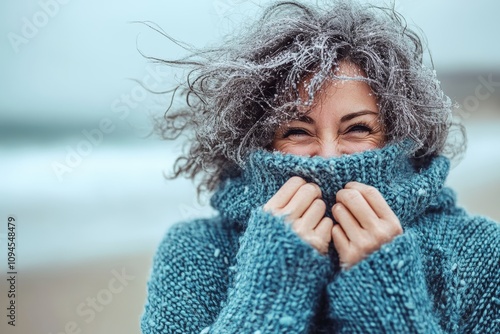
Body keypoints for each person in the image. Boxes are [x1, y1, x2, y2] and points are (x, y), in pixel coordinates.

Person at [140, 1, 500, 333]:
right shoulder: (193, 252)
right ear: (258, 140)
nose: (328, 157)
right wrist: (266, 295)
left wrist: (392, 306)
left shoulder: (477, 251)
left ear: (397, 133)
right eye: (297, 131)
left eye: (358, 128)